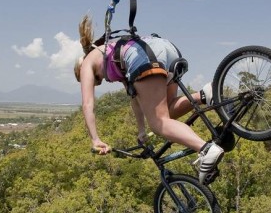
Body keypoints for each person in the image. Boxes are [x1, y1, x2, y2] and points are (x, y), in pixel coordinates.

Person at [74, 15, 224, 184]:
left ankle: (205, 149)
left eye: (96, 79)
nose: (98, 81)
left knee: (159, 123)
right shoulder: (111, 53)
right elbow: (135, 98)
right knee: (168, 112)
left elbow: (87, 104)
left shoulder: (87, 62)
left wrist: (95, 139)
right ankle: (204, 95)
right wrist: (141, 130)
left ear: (80, 70)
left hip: (145, 57)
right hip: (164, 48)